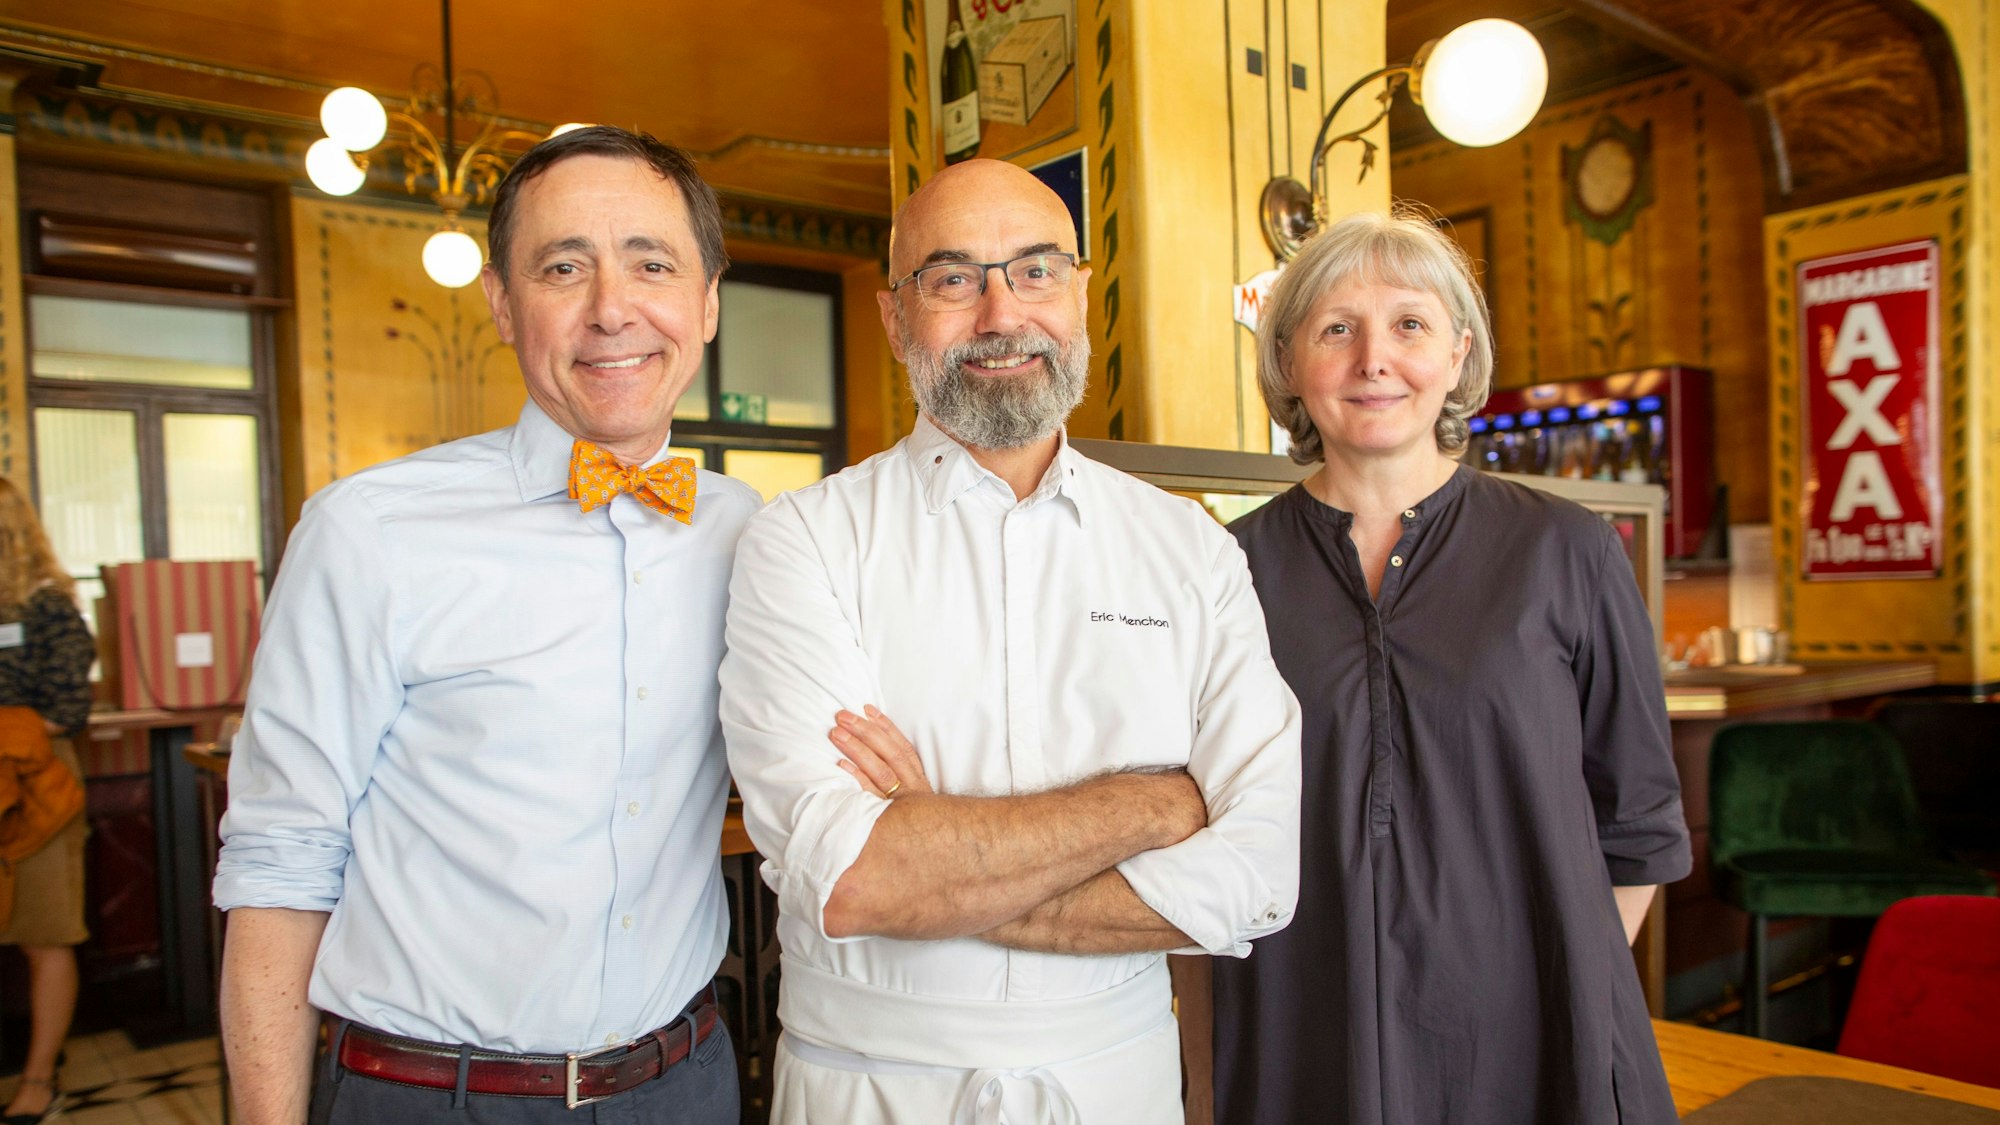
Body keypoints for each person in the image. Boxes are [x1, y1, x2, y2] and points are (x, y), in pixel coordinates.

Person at [719, 158, 1302, 1124]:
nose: (1000, 314)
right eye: (953, 279)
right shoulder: (803, 540)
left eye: (1035, 271)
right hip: (869, 1086)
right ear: (895, 315)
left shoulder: (1188, 546)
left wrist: (941, 850)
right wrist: (1158, 803)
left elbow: (1257, 875)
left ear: (1081, 295)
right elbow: (857, 878)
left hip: (1116, 1081)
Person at [213, 126, 760, 1125]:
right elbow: (279, 862)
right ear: (504, 307)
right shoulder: (369, 532)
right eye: (563, 268)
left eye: (652, 263)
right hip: (429, 1097)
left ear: (706, 300)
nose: (610, 310)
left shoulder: (752, 535)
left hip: (683, 1085)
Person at [1210, 208, 1691, 1125]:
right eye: (1336, 328)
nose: (1373, 359)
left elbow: (1639, 823)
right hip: (1305, 1028)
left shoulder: (1569, 550)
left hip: (1539, 1040)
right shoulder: (1224, 570)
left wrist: (1569, 993)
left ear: (1460, 353)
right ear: (1288, 365)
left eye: (1410, 324)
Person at [0, 479, 94, 1125]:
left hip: (34, 786)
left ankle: (39, 1078)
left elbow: (67, 707)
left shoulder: (48, 605)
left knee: (44, 933)